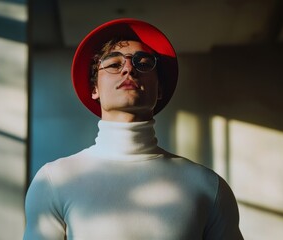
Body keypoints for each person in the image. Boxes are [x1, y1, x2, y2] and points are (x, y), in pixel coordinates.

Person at [24, 18, 244, 240]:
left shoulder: (208, 187)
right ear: (94, 88)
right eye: (113, 64)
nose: (129, 68)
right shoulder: (54, 180)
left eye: (144, 63)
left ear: (159, 89)